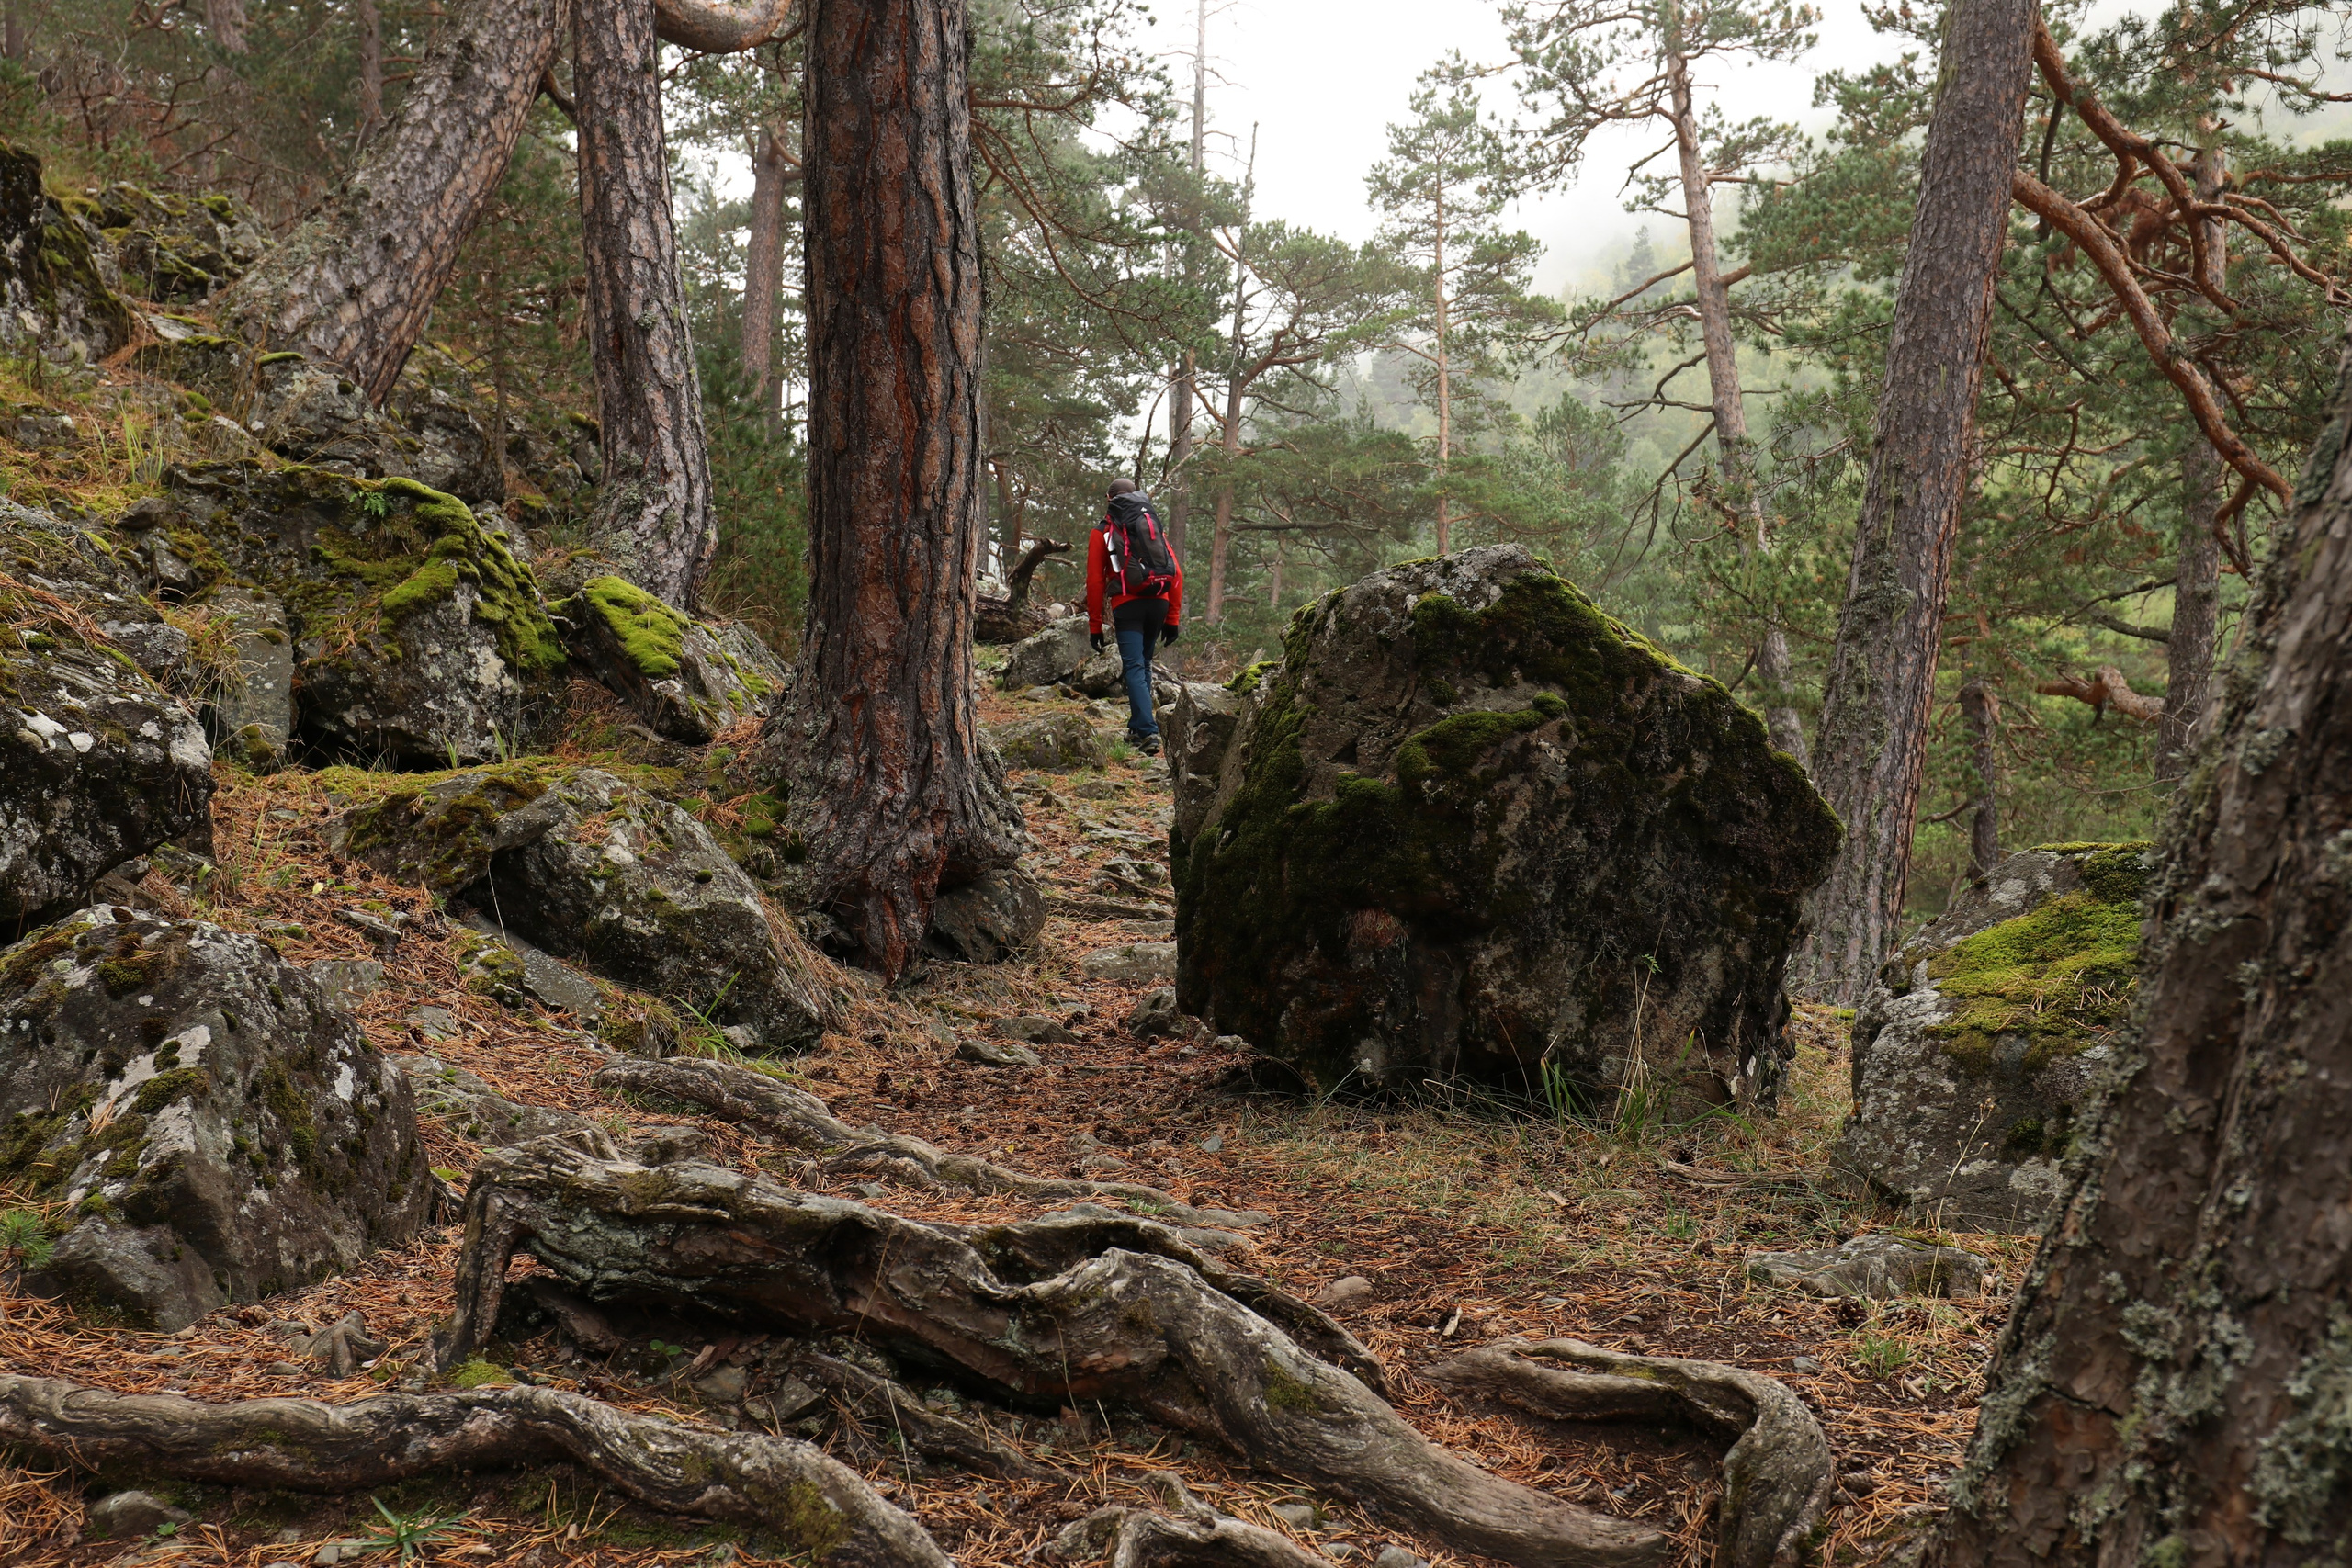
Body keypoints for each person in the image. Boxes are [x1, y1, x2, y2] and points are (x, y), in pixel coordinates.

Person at [1085, 476, 1183, 755]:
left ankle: (1149, 733)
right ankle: (1137, 727)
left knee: (1134, 668)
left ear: (1109, 499)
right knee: (1144, 664)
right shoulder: (1152, 527)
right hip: (1159, 602)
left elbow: (1095, 582)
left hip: (1128, 605)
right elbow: (1177, 572)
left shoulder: (1102, 531)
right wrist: (1173, 617)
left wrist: (1095, 625)